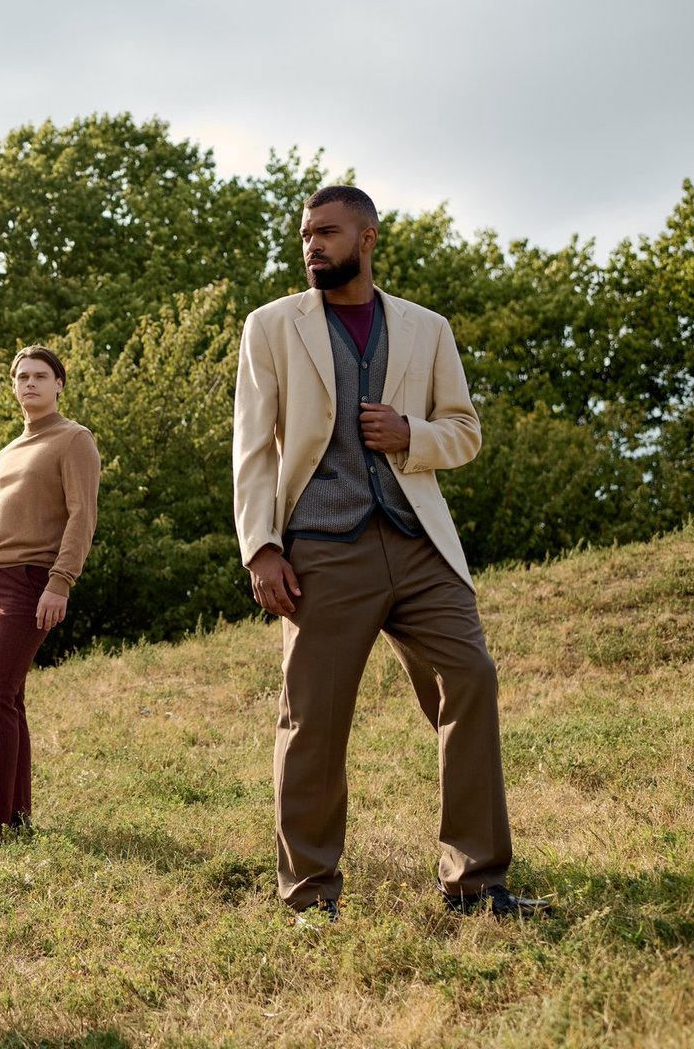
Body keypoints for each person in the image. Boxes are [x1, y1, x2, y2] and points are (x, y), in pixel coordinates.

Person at [232, 185, 548, 920]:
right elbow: (252, 449)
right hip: (321, 550)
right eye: (306, 233)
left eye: (328, 233)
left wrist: (412, 433)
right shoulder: (272, 327)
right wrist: (262, 549)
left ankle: (476, 884)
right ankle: (311, 896)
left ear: (368, 238)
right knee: (313, 720)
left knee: (470, 678)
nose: (312, 244)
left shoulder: (425, 328)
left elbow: (464, 430)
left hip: (417, 544)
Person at [0, 345, 100, 852]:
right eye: (21, 377)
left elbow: (82, 516)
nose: (29, 384)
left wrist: (61, 581)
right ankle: (16, 818)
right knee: (8, 699)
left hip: (34, 581)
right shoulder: (8, 451)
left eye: (40, 376)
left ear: (60, 384)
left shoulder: (73, 439)